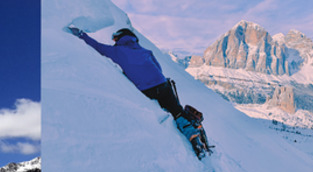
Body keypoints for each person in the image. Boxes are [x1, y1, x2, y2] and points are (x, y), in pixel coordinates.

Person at [68, 26, 210, 158]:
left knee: (167, 109)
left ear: (120, 38)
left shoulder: (117, 51)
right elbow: (158, 68)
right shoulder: (146, 51)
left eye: (115, 38)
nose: (114, 41)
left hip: (146, 90)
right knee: (177, 111)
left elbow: (97, 47)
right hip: (162, 84)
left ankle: (188, 128)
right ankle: (195, 137)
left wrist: (81, 34)